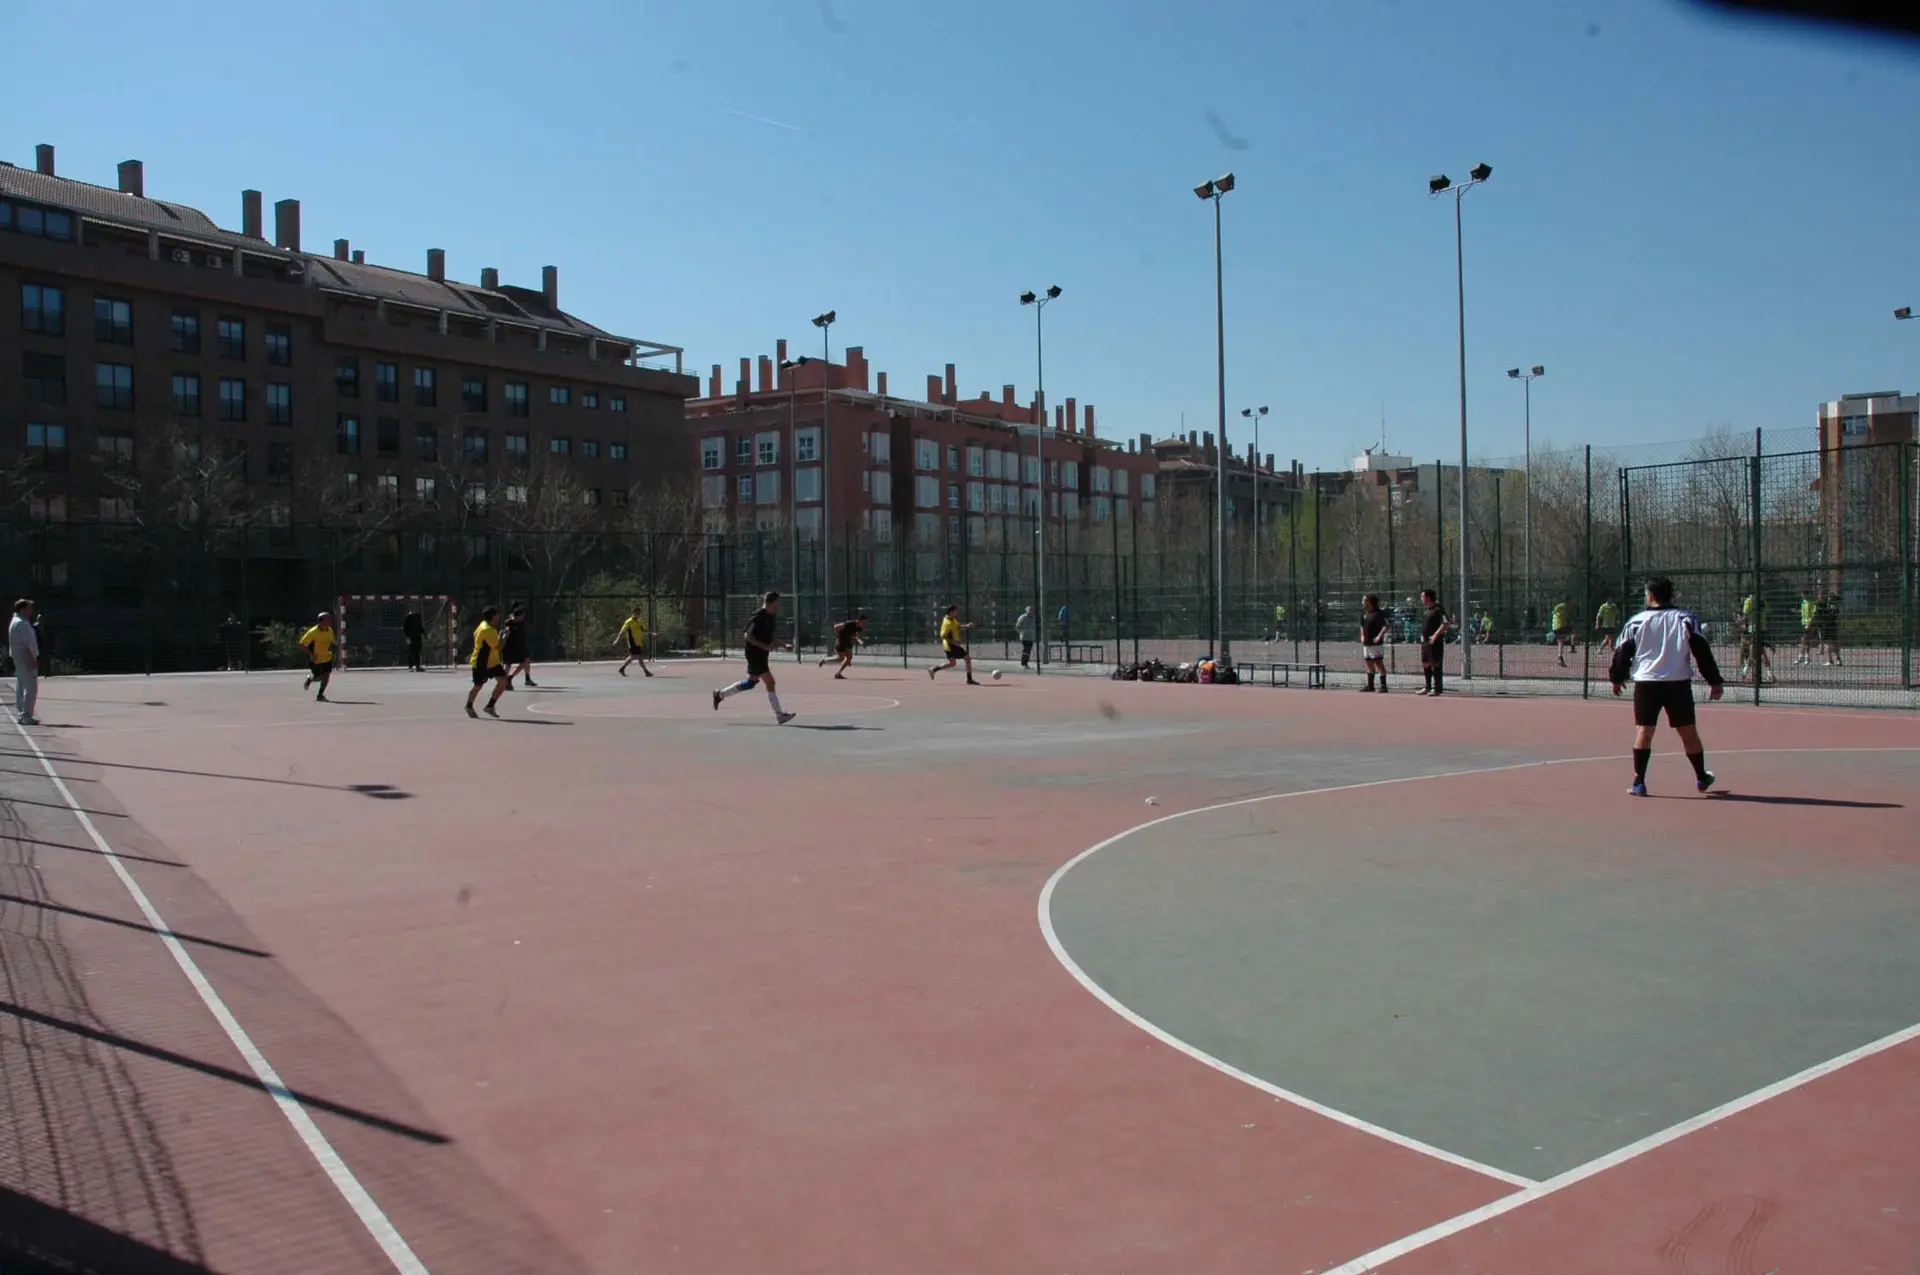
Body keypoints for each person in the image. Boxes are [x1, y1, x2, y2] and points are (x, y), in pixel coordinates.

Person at [1609, 575, 1724, 797]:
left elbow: (1622, 653)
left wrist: (1617, 678)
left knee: (1644, 731)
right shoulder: (1685, 619)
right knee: (1688, 732)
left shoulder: (1637, 621)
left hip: (1646, 683)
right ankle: (1701, 777)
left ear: (1650, 595)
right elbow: (1702, 651)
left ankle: (1639, 782)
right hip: (1677, 683)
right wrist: (1714, 681)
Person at [712, 591, 795, 723]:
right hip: (754, 653)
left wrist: (783, 644)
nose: (779, 606)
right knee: (770, 682)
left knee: (751, 682)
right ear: (771, 603)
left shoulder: (771, 617)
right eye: (777, 603)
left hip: (761, 653)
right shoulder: (758, 617)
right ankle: (780, 715)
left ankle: (720, 694)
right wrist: (763, 646)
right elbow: (747, 636)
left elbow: (769, 636)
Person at [466, 606, 508, 718]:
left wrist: (499, 636)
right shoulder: (487, 629)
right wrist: (505, 636)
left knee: (503, 682)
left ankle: (490, 706)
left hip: (493, 662)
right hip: (481, 662)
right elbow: (499, 647)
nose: (498, 618)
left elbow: (493, 644)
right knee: (478, 685)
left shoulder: (485, 626)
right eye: (497, 616)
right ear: (493, 616)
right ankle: (469, 706)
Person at [929, 604, 979, 685]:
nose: (957, 613)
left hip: (949, 646)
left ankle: (933, 669)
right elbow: (943, 635)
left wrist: (967, 626)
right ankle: (969, 680)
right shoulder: (947, 622)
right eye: (955, 611)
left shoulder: (953, 619)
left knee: (952, 664)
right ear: (951, 612)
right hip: (951, 646)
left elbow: (957, 626)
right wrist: (954, 642)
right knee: (968, 659)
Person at [9, 599, 40, 726]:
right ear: (22, 609)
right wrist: (32, 660)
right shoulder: (21, 624)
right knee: (31, 687)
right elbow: (26, 645)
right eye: (29, 609)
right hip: (25, 658)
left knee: (21, 684)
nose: (31, 612)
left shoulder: (16, 622)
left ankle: (22, 711)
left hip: (19, 658)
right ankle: (26, 714)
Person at [299, 612, 338, 702]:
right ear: (321, 622)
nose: (330, 622)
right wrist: (311, 654)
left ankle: (320, 695)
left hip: (327, 657)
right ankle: (310, 679)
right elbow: (301, 644)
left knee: (326, 676)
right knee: (318, 677)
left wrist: (335, 649)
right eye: (328, 620)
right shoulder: (313, 633)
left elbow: (331, 642)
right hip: (316, 659)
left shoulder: (330, 630)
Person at [1418, 589, 1450, 696]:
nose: (1421, 599)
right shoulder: (1426, 610)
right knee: (1426, 663)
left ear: (1428, 597)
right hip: (1425, 642)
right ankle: (1428, 687)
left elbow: (1445, 623)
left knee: (1436, 664)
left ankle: (1437, 689)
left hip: (1435, 642)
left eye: (1422, 596)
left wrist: (1435, 635)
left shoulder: (1438, 609)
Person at [820, 611, 867, 679]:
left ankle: (838, 673)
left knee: (848, 658)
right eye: (864, 622)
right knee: (841, 658)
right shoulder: (849, 623)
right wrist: (838, 637)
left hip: (847, 641)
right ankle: (825, 660)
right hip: (841, 641)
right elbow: (836, 626)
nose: (865, 623)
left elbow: (857, 635)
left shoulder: (859, 628)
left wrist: (860, 641)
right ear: (860, 620)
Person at [501, 602, 536, 689]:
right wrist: (501, 646)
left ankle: (512, 678)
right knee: (508, 664)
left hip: (519, 645)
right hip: (509, 646)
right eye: (522, 614)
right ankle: (504, 682)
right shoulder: (509, 623)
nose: (524, 616)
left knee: (526, 660)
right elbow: (504, 634)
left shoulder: (522, 622)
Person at [1358, 594, 1389, 692]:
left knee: (1379, 663)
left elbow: (1386, 626)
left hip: (1376, 644)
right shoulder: (1364, 614)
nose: (1363, 602)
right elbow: (1362, 626)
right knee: (1369, 663)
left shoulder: (1378, 614)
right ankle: (1370, 686)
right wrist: (1362, 635)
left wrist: (1379, 636)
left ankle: (1383, 686)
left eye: (1364, 600)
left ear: (1370, 601)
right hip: (1366, 643)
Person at [615, 607, 653, 677]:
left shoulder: (638, 622)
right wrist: (617, 639)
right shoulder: (629, 622)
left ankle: (622, 669)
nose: (638, 615)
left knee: (637, 657)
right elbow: (622, 631)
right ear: (633, 613)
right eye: (637, 613)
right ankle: (646, 672)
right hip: (632, 642)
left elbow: (642, 630)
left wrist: (651, 632)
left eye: (639, 613)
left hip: (638, 643)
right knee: (636, 656)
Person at [1551, 596, 1575, 667]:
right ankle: (1560, 657)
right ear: (1567, 601)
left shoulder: (1559, 606)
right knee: (1562, 640)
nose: (1572, 602)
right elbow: (1566, 617)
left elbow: (1554, 613)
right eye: (1571, 601)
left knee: (1560, 642)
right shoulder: (1566, 607)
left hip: (1555, 627)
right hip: (1561, 626)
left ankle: (1560, 657)